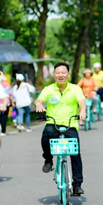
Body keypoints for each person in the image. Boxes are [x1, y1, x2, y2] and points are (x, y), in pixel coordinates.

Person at [34, 62, 86, 196]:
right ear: (54, 75)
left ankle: (77, 185)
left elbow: (81, 102)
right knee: (46, 135)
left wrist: (83, 111)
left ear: (68, 74)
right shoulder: (49, 89)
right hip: (53, 122)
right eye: (58, 73)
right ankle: (48, 159)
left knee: (75, 153)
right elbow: (39, 100)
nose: (60, 75)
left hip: (70, 124)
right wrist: (39, 104)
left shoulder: (75, 89)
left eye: (63, 72)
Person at [0, 71, 14, 136]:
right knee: (4, 117)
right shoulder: (6, 85)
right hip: (5, 104)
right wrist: (12, 102)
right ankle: (3, 131)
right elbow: (10, 95)